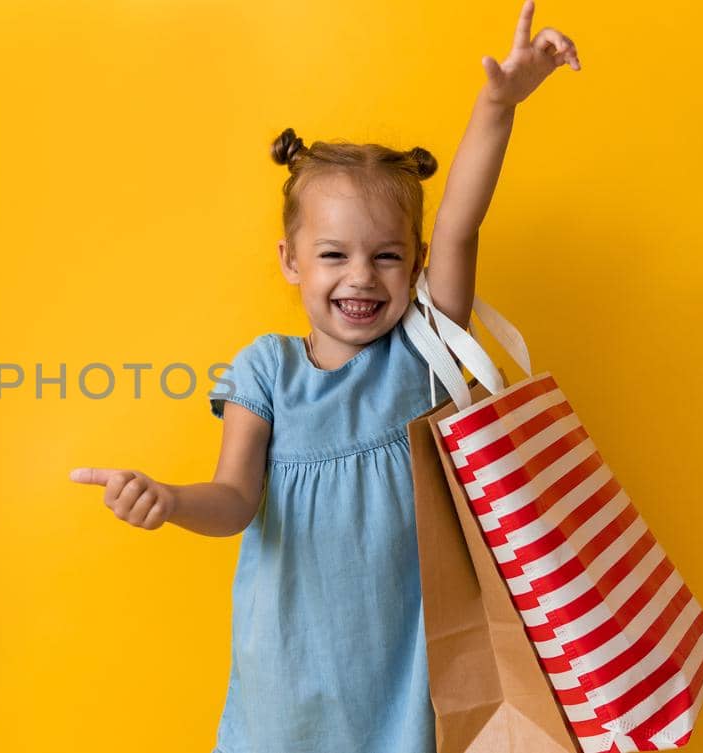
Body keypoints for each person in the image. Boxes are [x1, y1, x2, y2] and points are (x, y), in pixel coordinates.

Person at [68, 2, 582, 750]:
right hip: (290, 675)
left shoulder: (422, 352)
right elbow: (236, 498)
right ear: (290, 262)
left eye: (387, 255)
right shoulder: (266, 370)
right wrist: (171, 498)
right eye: (334, 254)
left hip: (412, 674)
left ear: (414, 264)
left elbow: (460, 226)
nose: (361, 277)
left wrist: (497, 105)